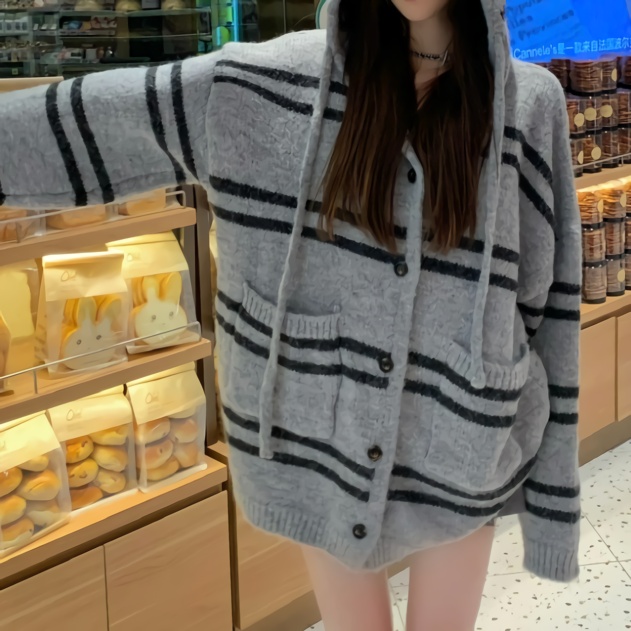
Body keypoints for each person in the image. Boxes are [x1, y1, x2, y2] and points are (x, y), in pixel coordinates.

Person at [0, 0, 581, 629]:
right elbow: (82, 122)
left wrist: (554, 512)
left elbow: (552, 311)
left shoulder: (528, 104)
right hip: (318, 447)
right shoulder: (261, 85)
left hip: (464, 448)